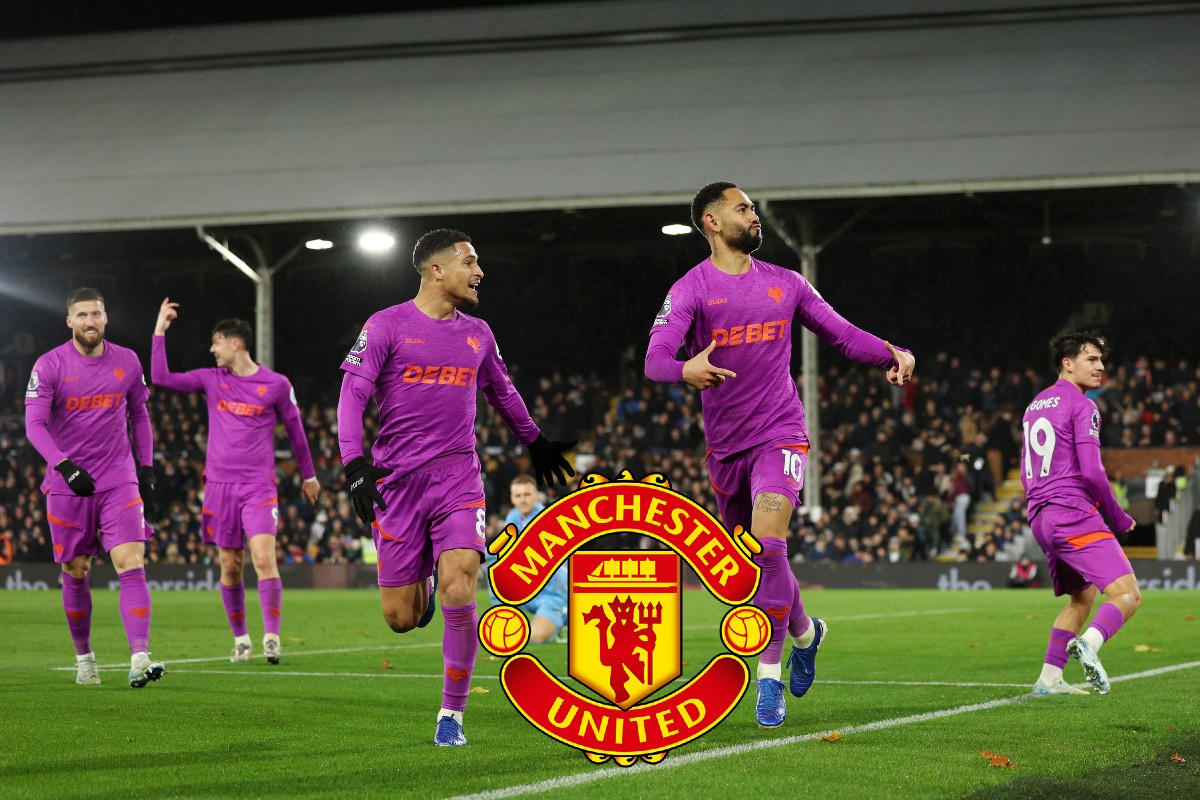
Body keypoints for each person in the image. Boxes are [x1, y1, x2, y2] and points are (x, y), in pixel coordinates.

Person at [644, 182, 914, 728]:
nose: (754, 215)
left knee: (770, 545)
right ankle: (808, 635)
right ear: (712, 223)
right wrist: (684, 370)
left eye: (752, 207)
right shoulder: (691, 289)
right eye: (742, 208)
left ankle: (768, 682)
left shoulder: (786, 283)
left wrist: (890, 350)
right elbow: (655, 359)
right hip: (725, 448)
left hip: (780, 432)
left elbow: (841, 335)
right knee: (754, 569)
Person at [337, 229, 575, 747]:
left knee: (461, 589)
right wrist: (354, 463)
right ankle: (417, 593)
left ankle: (452, 715)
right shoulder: (386, 325)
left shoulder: (479, 334)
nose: (479, 271)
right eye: (470, 261)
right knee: (400, 619)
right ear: (435, 270)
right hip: (396, 483)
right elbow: (352, 393)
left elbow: (503, 392)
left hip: (457, 478)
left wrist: (537, 443)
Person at [151, 300, 321, 664]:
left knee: (262, 558)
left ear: (236, 344)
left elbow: (296, 433)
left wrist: (309, 475)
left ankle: (272, 637)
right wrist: (160, 330)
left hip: (259, 487)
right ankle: (241, 639)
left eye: (217, 342)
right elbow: (162, 377)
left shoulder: (276, 385)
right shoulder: (211, 380)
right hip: (218, 487)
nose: (212, 349)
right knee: (230, 565)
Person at [24, 288, 164, 688]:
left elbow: (139, 414)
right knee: (76, 569)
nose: (90, 321)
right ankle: (85, 658)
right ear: (69, 321)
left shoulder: (127, 361)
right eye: (82, 315)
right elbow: (34, 425)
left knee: (131, 562)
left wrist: (147, 464)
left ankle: (140, 656)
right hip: (68, 486)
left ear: (106, 318)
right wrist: (64, 466)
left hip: (119, 479)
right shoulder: (49, 365)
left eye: (97, 314)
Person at [1022, 331, 1139, 697]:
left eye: (1102, 360)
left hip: (1041, 516)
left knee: (1082, 598)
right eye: (1091, 359)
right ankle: (1088, 643)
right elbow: (1092, 472)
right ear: (1067, 363)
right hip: (1071, 512)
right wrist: (1118, 517)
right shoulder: (1083, 406)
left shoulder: (1034, 405)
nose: (1100, 366)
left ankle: (1049, 679)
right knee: (1127, 595)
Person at [485, 474, 567, 644]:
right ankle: (505, 616)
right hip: (528, 591)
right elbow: (502, 546)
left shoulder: (546, 518)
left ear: (537, 495)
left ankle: (563, 624)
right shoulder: (514, 517)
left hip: (553, 594)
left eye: (527, 495)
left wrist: (473, 557)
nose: (523, 500)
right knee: (494, 572)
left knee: (534, 637)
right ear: (512, 499)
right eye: (518, 496)